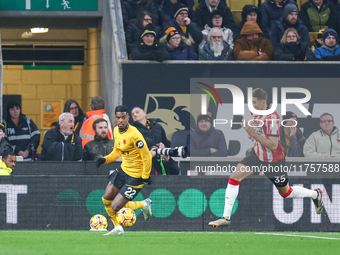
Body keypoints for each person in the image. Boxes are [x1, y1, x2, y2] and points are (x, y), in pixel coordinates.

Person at [208, 88, 324, 228]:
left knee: (286, 193)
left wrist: (253, 133)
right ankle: (225, 217)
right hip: (257, 155)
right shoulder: (255, 112)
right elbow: (259, 132)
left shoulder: (272, 118)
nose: (252, 105)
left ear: (263, 103)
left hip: (273, 161)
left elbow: (273, 145)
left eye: (254, 102)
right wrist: (252, 134)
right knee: (234, 177)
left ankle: (315, 194)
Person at [95, 105, 153, 236]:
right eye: (118, 117)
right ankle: (117, 228)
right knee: (106, 199)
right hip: (123, 170)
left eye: (123, 117)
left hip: (136, 175)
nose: (120, 120)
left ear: (128, 118)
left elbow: (147, 156)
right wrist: (104, 160)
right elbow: (117, 151)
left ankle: (143, 204)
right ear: (115, 118)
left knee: (116, 206)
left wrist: (145, 176)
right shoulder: (116, 131)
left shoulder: (135, 135)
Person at [131, 106, 179, 175]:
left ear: (144, 114)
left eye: (137, 112)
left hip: (160, 159)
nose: (135, 115)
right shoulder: (132, 131)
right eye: (132, 114)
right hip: (145, 161)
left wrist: (163, 147)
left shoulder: (157, 126)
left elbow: (165, 142)